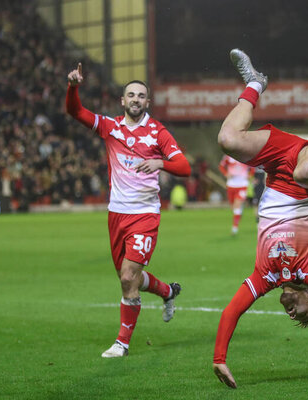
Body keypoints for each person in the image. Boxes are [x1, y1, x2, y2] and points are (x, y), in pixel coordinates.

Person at [212, 49, 308, 388]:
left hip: (277, 171)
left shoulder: (265, 276)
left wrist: (219, 358)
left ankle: (254, 85)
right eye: (301, 311)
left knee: (226, 139)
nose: (290, 312)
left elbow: (232, 311)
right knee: (305, 170)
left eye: (292, 315)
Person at [66, 63, 191, 357]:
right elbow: (76, 112)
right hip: (116, 214)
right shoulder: (111, 127)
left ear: (147, 102)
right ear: (123, 101)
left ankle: (121, 343)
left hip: (145, 215)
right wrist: (73, 87)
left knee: (127, 279)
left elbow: (184, 166)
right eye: (131, 95)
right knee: (130, 277)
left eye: (141, 96)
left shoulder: (157, 133)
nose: (136, 99)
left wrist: (161, 162)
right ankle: (168, 292)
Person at [218, 154, 255, 234]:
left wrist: (250, 175)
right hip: (231, 185)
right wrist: (226, 174)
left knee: (237, 205)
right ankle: (239, 212)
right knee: (233, 207)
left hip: (242, 185)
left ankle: (235, 227)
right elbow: (221, 166)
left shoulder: (246, 156)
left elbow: (252, 168)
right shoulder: (228, 156)